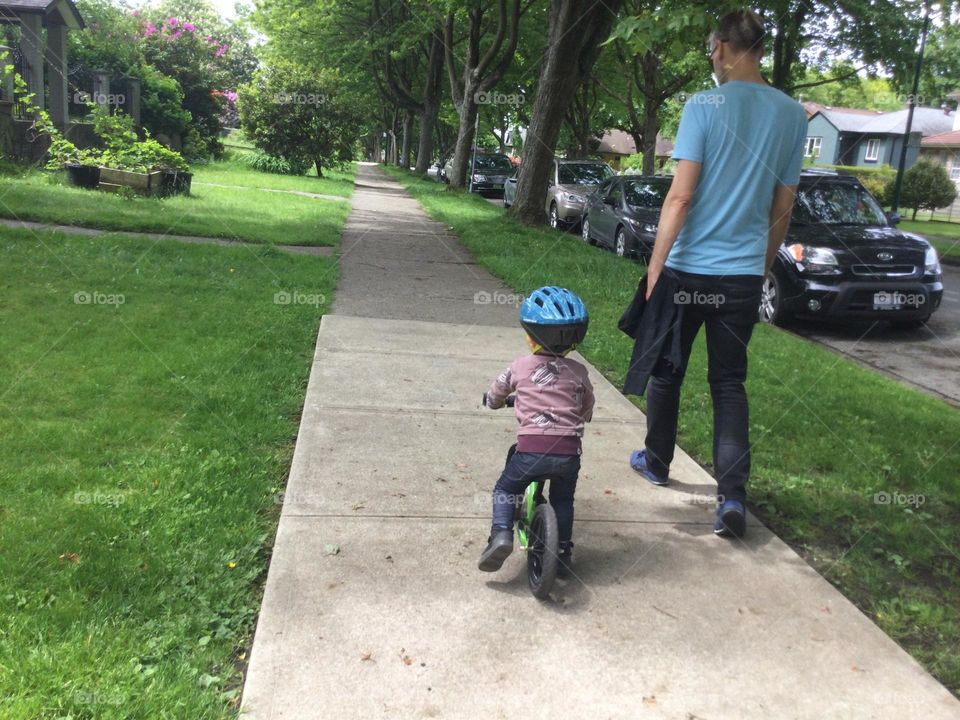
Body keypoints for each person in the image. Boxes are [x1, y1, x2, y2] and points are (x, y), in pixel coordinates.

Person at [626, 10, 807, 538]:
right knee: (729, 384)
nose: (711, 58)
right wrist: (762, 264)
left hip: (687, 273)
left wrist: (655, 266)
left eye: (711, 49)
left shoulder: (703, 105)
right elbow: (783, 206)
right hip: (741, 278)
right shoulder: (792, 115)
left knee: (667, 370)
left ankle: (657, 462)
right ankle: (731, 499)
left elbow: (680, 196)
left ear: (725, 48)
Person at [479, 286, 595, 575]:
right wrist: (579, 415)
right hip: (568, 454)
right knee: (563, 500)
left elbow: (497, 392)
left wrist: (493, 402)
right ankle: (563, 551)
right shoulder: (579, 373)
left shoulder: (520, 367)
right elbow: (586, 406)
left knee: (505, 488)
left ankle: (501, 534)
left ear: (530, 336)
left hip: (532, 450)